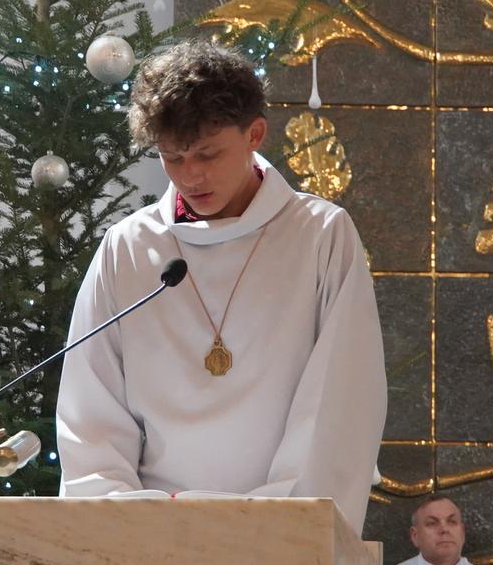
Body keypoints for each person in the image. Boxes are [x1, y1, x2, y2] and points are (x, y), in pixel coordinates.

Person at [55, 39, 386, 534]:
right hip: (148, 534)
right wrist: (121, 521)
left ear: (255, 134)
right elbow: (91, 405)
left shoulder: (319, 235)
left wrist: (272, 522)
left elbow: (341, 401)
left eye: (207, 154)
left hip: (278, 532)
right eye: (172, 158)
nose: (191, 176)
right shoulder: (129, 247)